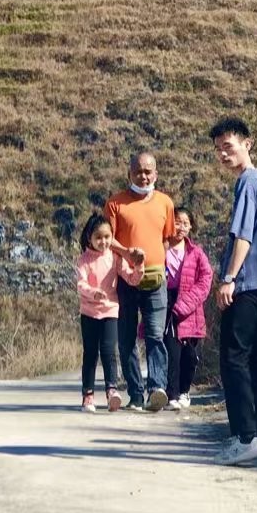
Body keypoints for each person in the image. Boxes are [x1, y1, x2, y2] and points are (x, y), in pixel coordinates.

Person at [210, 116, 257, 465]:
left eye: (228, 146)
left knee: (234, 358)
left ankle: (246, 436)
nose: (223, 154)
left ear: (247, 144)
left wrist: (228, 278)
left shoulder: (248, 183)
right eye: (218, 150)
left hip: (249, 283)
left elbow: (243, 236)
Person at [104, 153, 176, 411]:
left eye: (148, 171)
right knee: (126, 338)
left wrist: (155, 259)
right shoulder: (115, 203)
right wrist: (128, 254)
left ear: (155, 174)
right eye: (138, 172)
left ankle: (157, 388)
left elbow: (167, 238)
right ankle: (135, 395)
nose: (143, 176)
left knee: (156, 335)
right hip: (125, 280)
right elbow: (106, 238)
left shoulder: (166, 203)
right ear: (129, 174)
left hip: (156, 279)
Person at [75, 214, 143, 413]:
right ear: (89, 237)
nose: (103, 241)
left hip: (110, 310)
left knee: (108, 351)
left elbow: (132, 279)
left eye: (107, 237)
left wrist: (139, 265)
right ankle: (88, 395)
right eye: (98, 237)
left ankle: (111, 391)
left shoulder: (114, 257)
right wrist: (93, 292)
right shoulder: (83, 260)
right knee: (90, 353)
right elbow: (81, 284)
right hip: (88, 311)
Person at [164, 208, 213, 411]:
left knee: (189, 355)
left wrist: (185, 304)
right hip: (167, 302)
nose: (181, 227)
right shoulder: (161, 248)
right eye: (177, 222)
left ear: (191, 226)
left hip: (191, 307)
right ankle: (171, 394)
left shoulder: (196, 253)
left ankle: (184, 391)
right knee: (172, 352)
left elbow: (206, 279)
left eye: (185, 223)